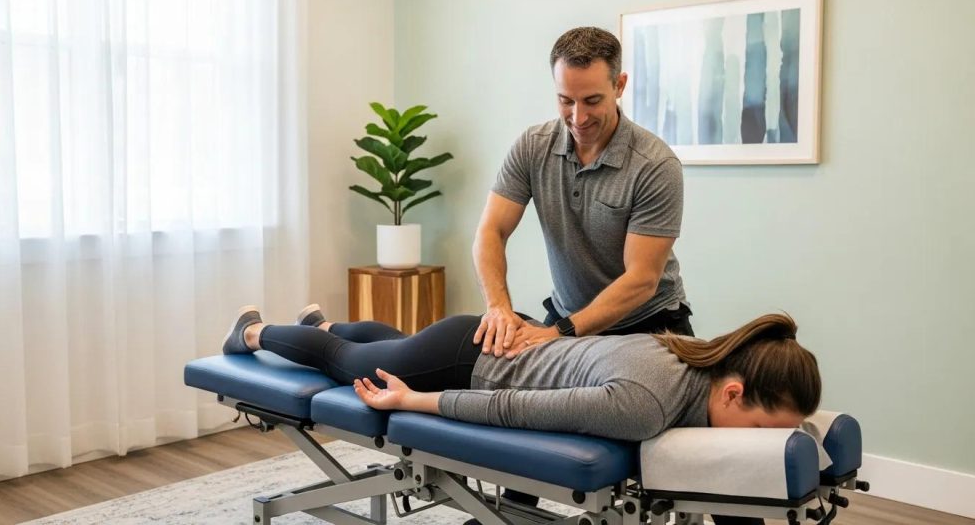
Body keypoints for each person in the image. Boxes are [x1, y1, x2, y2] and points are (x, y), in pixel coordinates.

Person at [221, 305, 820, 445]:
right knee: (341, 364)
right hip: (474, 361)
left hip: (501, 341)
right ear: (735, 390)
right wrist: (414, 400)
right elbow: (512, 408)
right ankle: (251, 331)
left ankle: (325, 323)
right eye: (763, 428)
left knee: (394, 346)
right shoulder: (643, 404)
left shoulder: (696, 355)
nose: (759, 443)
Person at [472, 26, 692, 358]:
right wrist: (499, 308)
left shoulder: (655, 165)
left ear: (619, 86)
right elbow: (491, 230)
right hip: (566, 319)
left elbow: (642, 279)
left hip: (647, 324)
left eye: (592, 101)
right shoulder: (533, 146)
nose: (578, 117)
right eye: (566, 100)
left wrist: (560, 333)